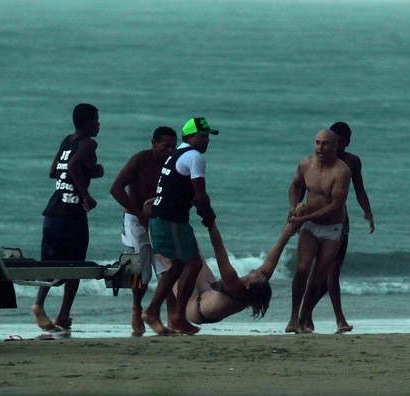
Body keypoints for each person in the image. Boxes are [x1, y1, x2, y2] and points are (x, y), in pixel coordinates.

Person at [142, 117, 219, 336]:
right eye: (203, 136)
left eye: (208, 136)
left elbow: (181, 189)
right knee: (192, 264)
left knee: (176, 267)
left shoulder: (177, 154)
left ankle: (152, 311)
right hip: (170, 220)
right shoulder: (194, 157)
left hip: (160, 218)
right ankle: (176, 317)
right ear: (189, 136)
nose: (206, 141)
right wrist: (208, 216)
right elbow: (200, 195)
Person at [31, 103, 104, 334]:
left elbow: (55, 171)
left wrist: (91, 172)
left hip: (53, 210)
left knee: (52, 263)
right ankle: (55, 312)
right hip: (72, 212)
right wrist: (87, 196)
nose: (99, 124)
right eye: (96, 120)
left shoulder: (67, 141)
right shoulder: (89, 143)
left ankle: (48, 308)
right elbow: (73, 166)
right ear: (86, 123)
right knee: (75, 265)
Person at [109, 126, 179, 337]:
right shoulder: (140, 160)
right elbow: (116, 188)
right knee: (140, 272)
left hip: (160, 220)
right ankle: (136, 308)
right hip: (135, 220)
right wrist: (138, 212)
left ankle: (171, 317)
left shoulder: (173, 163)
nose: (170, 150)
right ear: (154, 143)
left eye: (173, 146)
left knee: (168, 270)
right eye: (166, 146)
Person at [285, 129, 351, 334]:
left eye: (325, 144)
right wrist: (293, 207)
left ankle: (304, 319)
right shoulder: (306, 164)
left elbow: (335, 205)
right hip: (310, 227)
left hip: (332, 228)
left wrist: (302, 218)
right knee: (302, 268)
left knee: (318, 276)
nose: (320, 148)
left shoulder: (342, 171)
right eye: (317, 143)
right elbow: (295, 186)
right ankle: (294, 317)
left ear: (335, 146)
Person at [311, 122, 375, 333]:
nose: (335, 147)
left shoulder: (352, 162)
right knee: (326, 272)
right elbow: (305, 186)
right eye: (332, 142)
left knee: (330, 274)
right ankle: (337, 320)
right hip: (317, 221)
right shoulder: (318, 161)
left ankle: (305, 313)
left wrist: (368, 213)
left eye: (340, 142)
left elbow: (360, 190)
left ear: (347, 142)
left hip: (340, 222)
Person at [185, 217, 302, 325]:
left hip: (194, 309)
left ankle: (173, 319)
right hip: (209, 295)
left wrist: (211, 222)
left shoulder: (232, 284)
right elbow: (280, 245)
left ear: (247, 284)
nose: (260, 272)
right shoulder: (257, 286)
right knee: (190, 244)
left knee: (175, 261)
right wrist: (294, 222)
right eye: (263, 276)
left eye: (258, 276)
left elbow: (218, 247)